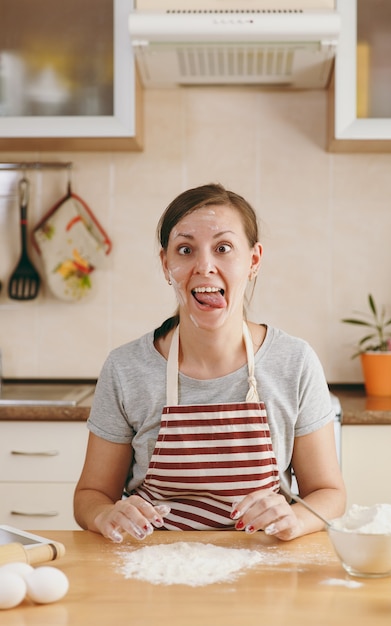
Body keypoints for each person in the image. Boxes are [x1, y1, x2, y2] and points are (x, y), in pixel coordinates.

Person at [74, 183, 345, 543]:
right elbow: (90, 496)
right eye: (185, 249)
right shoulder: (126, 368)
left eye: (223, 248)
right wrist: (105, 514)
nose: (204, 266)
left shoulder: (294, 362)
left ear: (253, 260)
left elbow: (330, 493)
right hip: (151, 570)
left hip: (262, 568)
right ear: (166, 264)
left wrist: (296, 519)